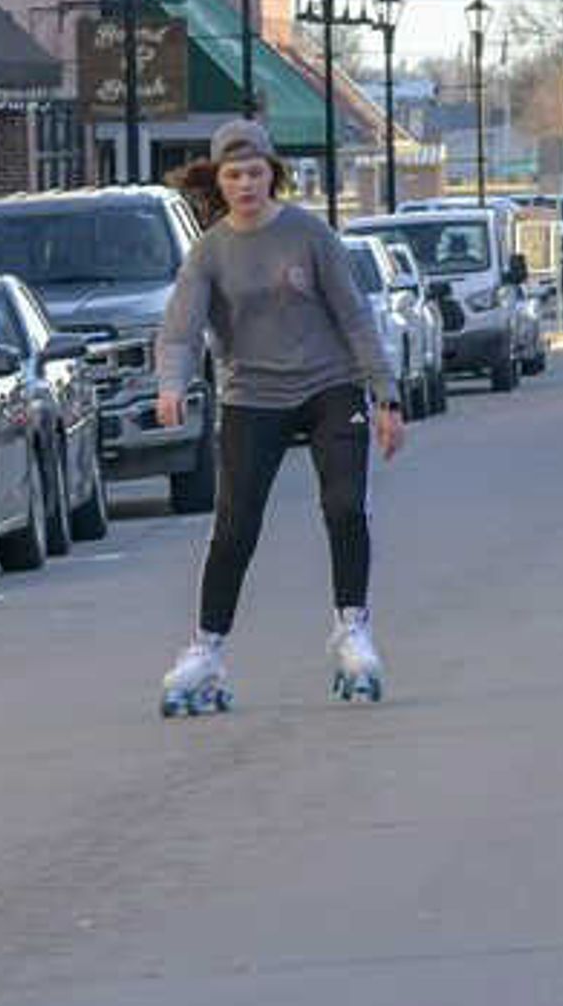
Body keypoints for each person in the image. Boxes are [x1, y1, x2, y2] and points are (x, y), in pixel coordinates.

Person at [152, 117, 404, 713]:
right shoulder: (209, 252)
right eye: (233, 175)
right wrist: (171, 386)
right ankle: (206, 649)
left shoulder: (310, 235)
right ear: (218, 180)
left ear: (274, 175)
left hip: (329, 386)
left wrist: (386, 397)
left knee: (344, 505)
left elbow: (354, 316)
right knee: (236, 525)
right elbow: (181, 330)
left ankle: (352, 627)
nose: (245, 185)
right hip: (251, 396)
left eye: (255, 173)